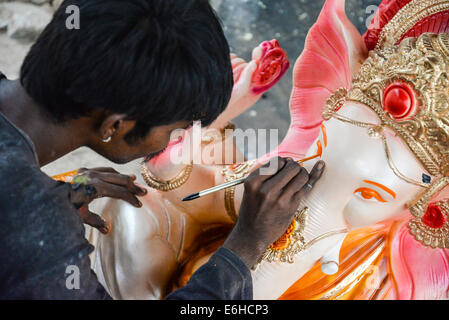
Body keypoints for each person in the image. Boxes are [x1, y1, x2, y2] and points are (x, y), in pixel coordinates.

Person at [0, 0, 324, 299]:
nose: (176, 139)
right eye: (176, 130)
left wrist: (49, 198)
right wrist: (246, 245)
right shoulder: (39, 226)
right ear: (115, 126)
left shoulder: (32, 210)